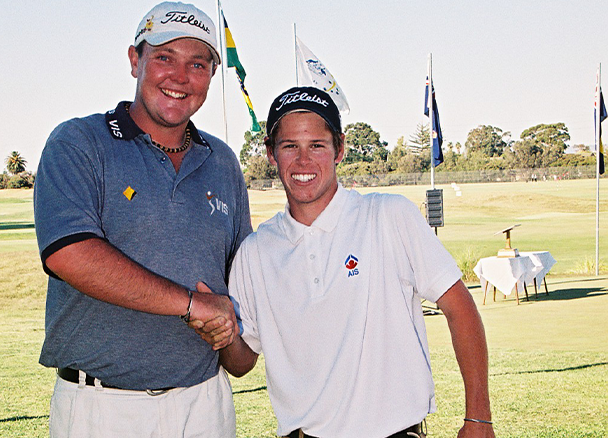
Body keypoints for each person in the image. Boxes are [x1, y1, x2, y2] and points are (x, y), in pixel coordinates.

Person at [193, 87, 494, 438]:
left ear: (340, 149)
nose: (303, 162)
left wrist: (479, 417)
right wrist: (224, 330)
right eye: (290, 146)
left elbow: (460, 307)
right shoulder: (255, 252)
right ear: (271, 155)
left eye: (317, 145)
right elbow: (242, 362)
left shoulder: (388, 216)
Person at [33, 2, 251, 437]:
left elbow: (239, 282)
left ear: (211, 75)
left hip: (205, 403)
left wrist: (230, 334)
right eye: (164, 57)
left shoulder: (223, 162)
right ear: (136, 61)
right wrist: (191, 304)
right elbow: (69, 254)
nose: (180, 77)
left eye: (198, 63)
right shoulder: (79, 141)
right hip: (103, 407)